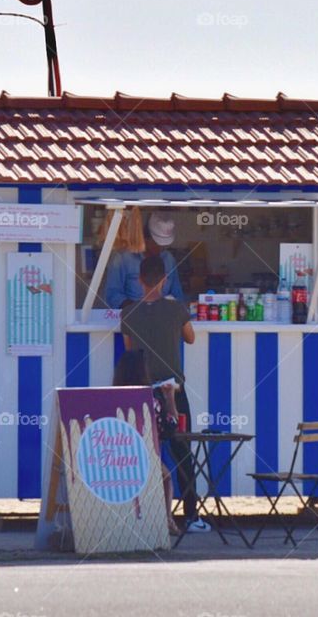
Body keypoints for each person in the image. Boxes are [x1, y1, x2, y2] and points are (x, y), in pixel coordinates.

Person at [120, 255, 210, 533]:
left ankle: (141, 513)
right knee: (183, 452)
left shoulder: (128, 313)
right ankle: (192, 516)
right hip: (174, 392)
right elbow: (191, 338)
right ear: (164, 280)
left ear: (139, 280)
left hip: (143, 394)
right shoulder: (176, 309)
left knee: (143, 453)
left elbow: (128, 349)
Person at [112, 349, 180, 536]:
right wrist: (170, 398)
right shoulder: (150, 400)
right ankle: (167, 520)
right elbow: (170, 428)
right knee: (165, 477)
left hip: (114, 456)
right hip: (142, 456)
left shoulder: (111, 397)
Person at [104, 211, 184, 309]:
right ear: (146, 239)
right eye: (158, 244)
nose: (161, 249)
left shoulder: (169, 259)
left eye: (165, 245)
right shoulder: (123, 258)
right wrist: (136, 309)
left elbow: (178, 295)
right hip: (130, 316)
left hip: (163, 316)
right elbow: (113, 294)